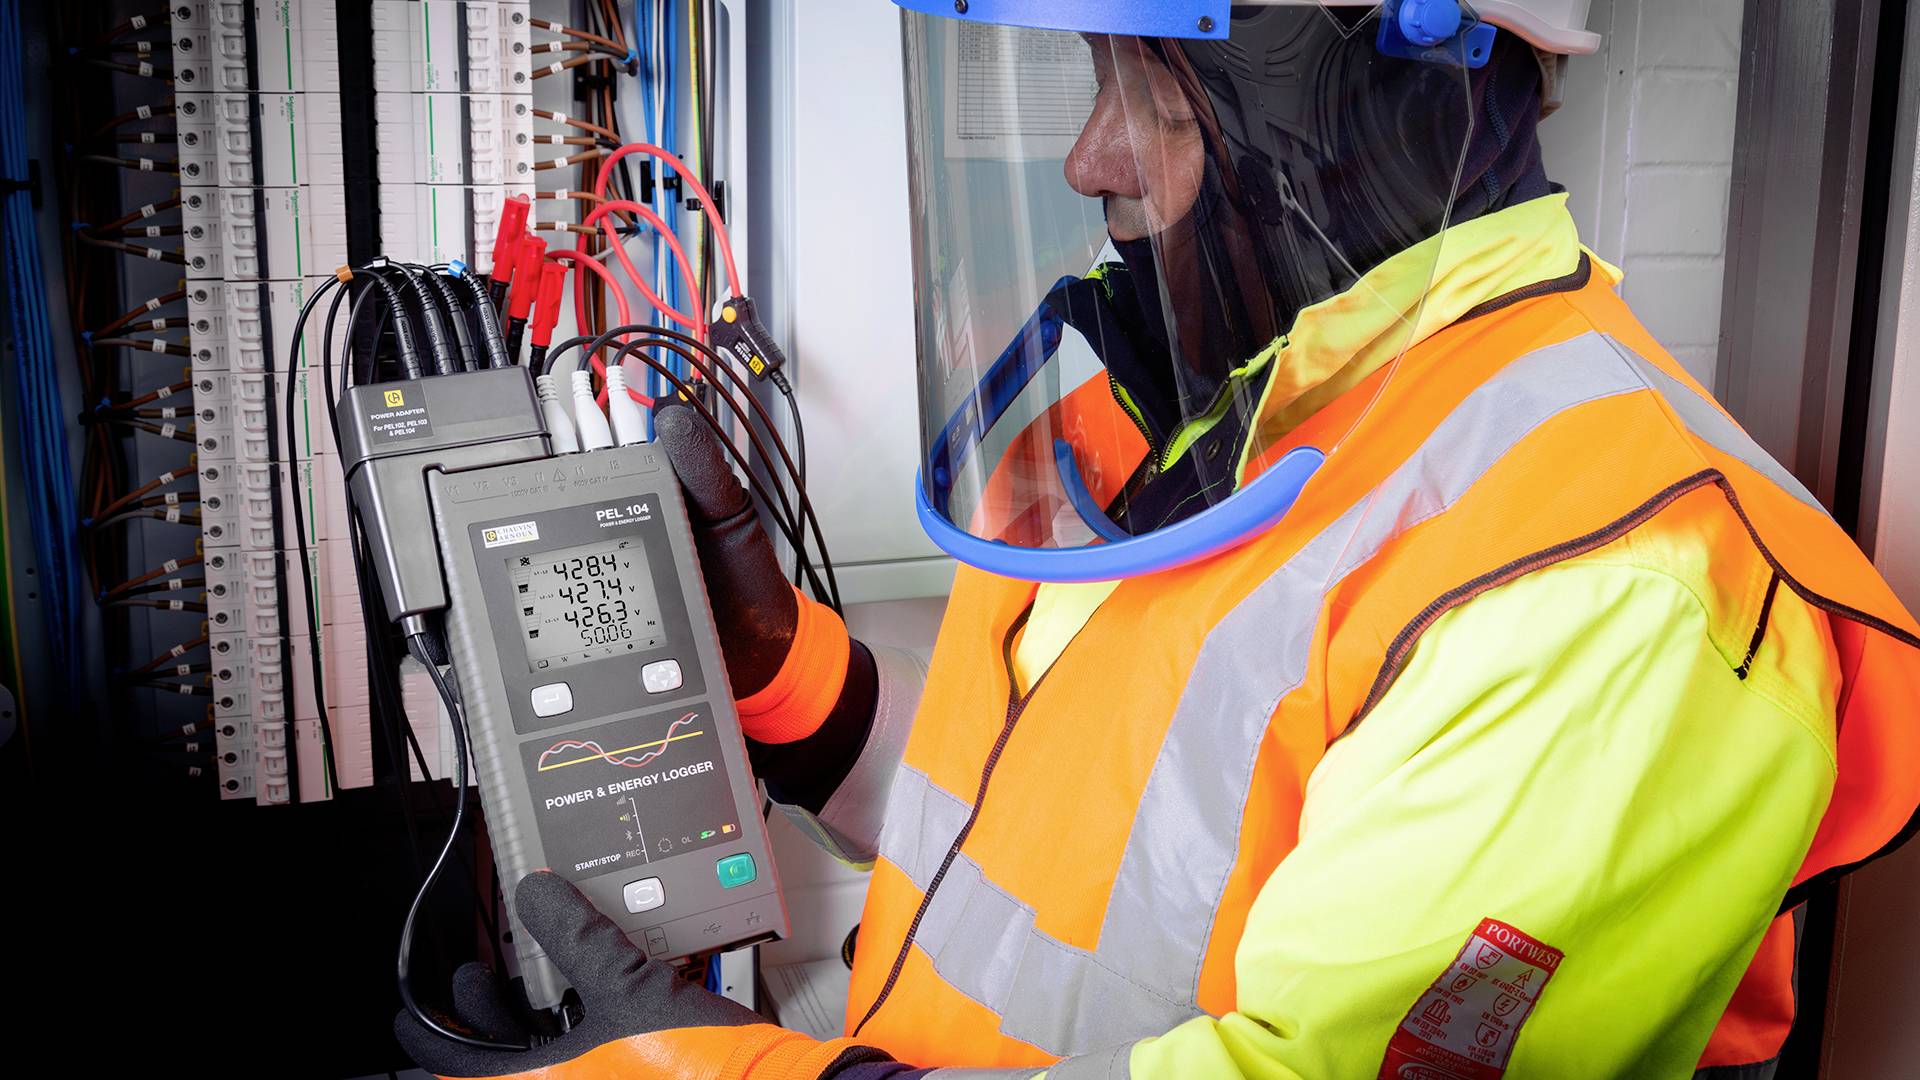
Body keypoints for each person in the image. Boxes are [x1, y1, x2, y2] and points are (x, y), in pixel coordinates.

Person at [399, 2, 1920, 1077]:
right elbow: (1045, 837)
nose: (1089, 159)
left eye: (1146, 85)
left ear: (1360, 98)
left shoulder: (1611, 590)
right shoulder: (1191, 422)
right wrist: (794, 687)